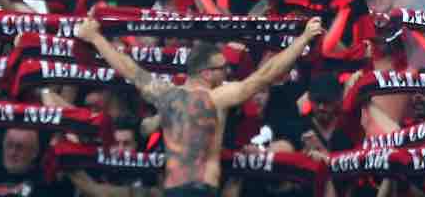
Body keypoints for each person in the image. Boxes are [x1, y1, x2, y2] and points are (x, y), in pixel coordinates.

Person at [75, 13, 324, 194]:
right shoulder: (216, 98)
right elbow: (265, 74)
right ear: (207, 72)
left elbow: (129, 69)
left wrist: (95, 38)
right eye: (222, 68)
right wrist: (303, 39)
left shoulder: (166, 95)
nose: (227, 73)